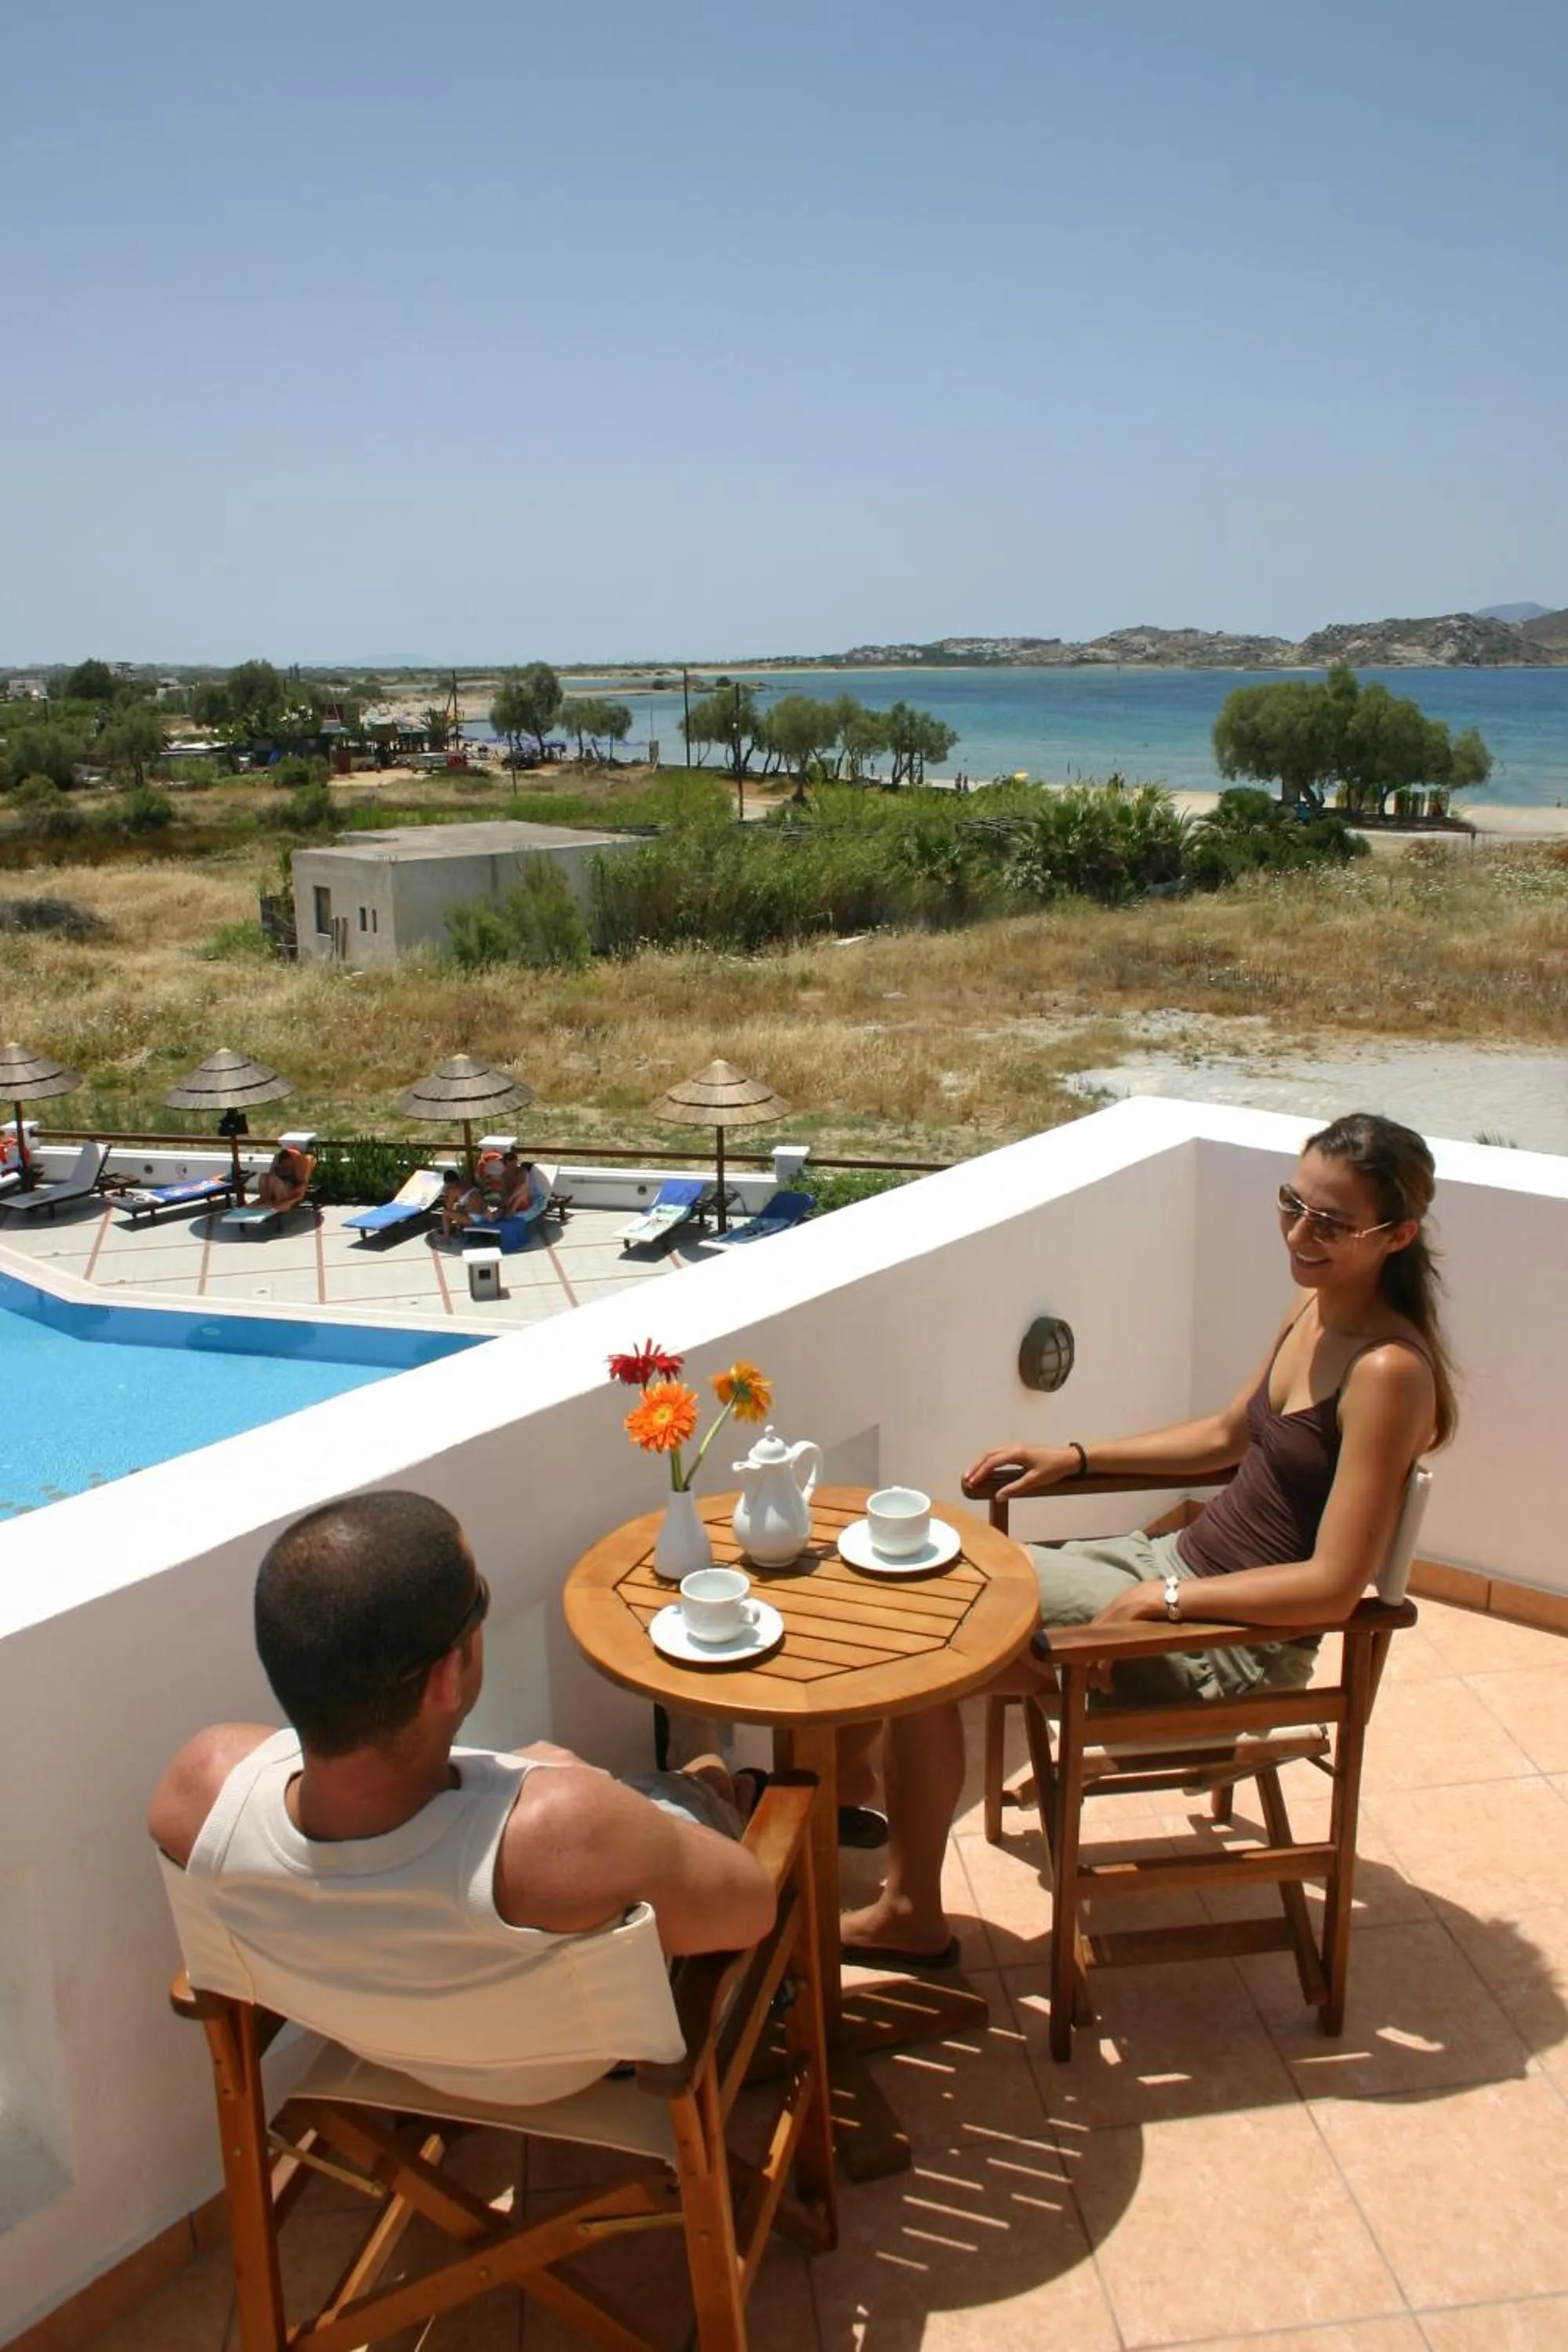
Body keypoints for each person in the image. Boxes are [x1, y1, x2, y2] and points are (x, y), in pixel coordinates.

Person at [840, 1111, 1457, 1966]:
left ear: (1397, 1236)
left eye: (1330, 1223)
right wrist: (1074, 1456)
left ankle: (906, 1904)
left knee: (930, 1645)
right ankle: (856, 1789)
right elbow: (1222, 1437)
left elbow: (1328, 1585)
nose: (1299, 1233)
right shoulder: (1312, 1305)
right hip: (1165, 1572)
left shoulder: (1387, 1372)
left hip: (1225, 1647)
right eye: (1292, 1204)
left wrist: (1168, 1597)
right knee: (934, 1574)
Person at [149, 1493, 775, 2093]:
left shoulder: (198, 1792)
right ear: (448, 1674)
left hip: (378, 2041)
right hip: (576, 2067)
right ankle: (709, 1782)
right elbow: (751, 1909)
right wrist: (575, 1788)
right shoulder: (572, 1830)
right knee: (679, 1804)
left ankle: (703, 1777)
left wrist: (503, 1773)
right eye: (479, 1603)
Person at [256, 1143, 314, 1213]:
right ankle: (266, 1200)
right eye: (284, 1161)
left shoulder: (296, 1171)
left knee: (274, 1180)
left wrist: (295, 1193)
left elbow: (300, 1185)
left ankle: (276, 1203)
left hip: (287, 1191)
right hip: (275, 1190)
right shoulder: (279, 1168)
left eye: (288, 1160)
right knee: (264, 1176)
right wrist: (277, 1171)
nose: (286, 1162)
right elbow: (269, 1179)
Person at [439, 1167, 485, 1239]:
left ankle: (446, 1237)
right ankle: (459, 1232)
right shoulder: (467, 1183)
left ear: (447, 1183)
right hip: (484, 1214)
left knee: (445, 1213)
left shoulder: (453, 1189)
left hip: (474, 1218)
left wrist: (446, 1194)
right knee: (458, 1209)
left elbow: (448, 1207)